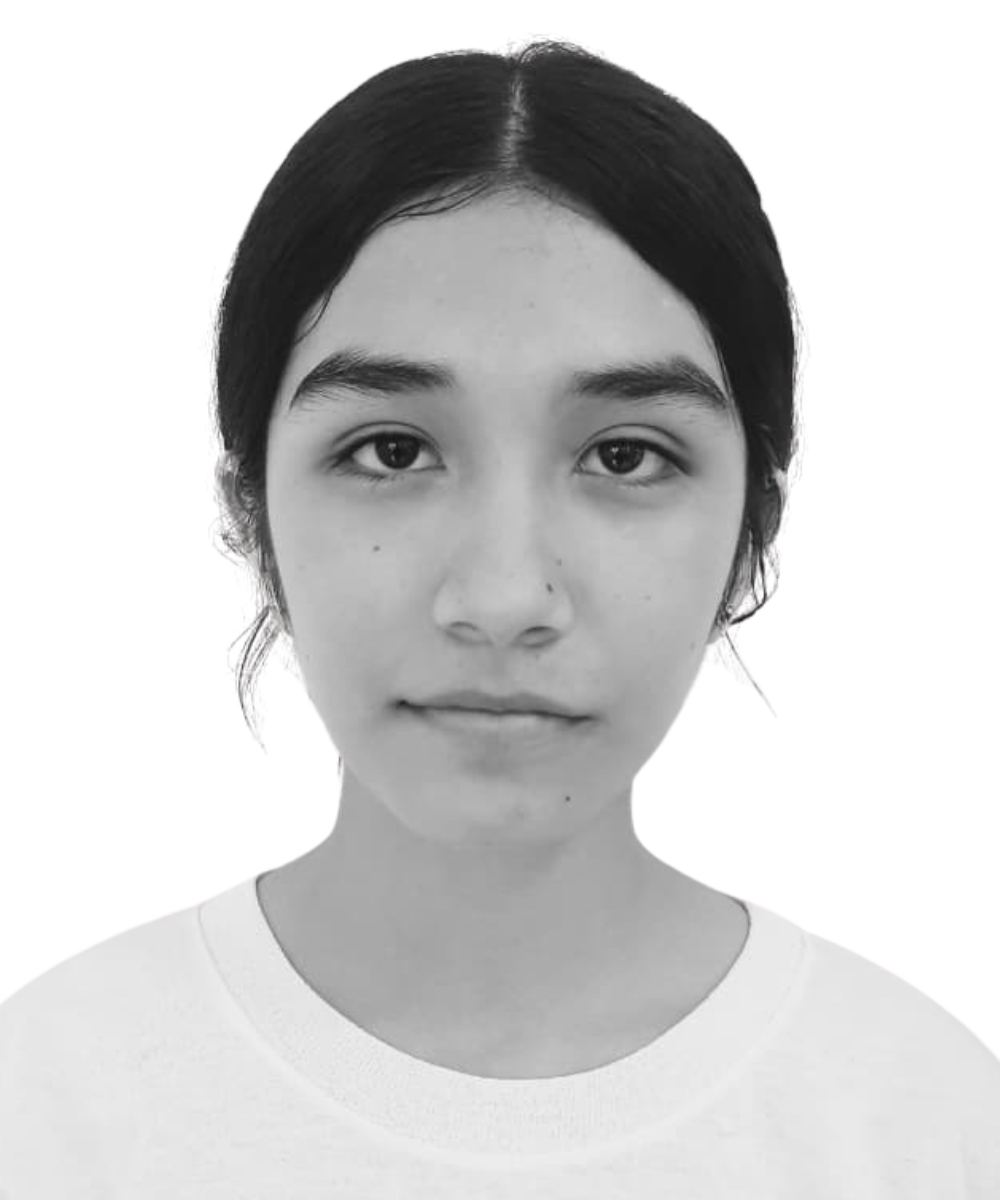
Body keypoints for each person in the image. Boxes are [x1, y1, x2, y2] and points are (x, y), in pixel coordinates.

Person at [2, 37, 998, 1195]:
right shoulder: (45, 1106)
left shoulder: (924, 1126)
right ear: (251, 510)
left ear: (751, 527)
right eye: (391, 449)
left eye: (624, 455)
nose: (503, 599)